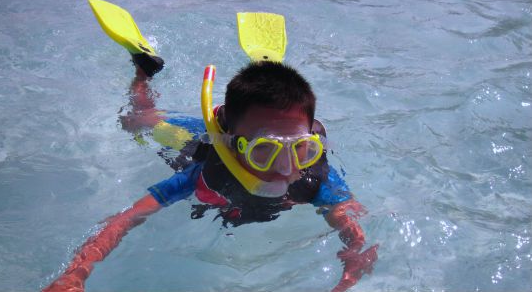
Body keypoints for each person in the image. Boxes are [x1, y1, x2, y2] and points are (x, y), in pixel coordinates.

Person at [43, 51, 378, 291]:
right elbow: (127, 218)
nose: (286, 167)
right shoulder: (204, 172)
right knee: (136, 121)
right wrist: (76, 273)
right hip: (193, 141)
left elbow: (348, 220)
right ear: (233, 144)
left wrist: (351, 265)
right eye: (265, 150)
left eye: (301, 147)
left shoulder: (313, 174)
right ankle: (142, 69)